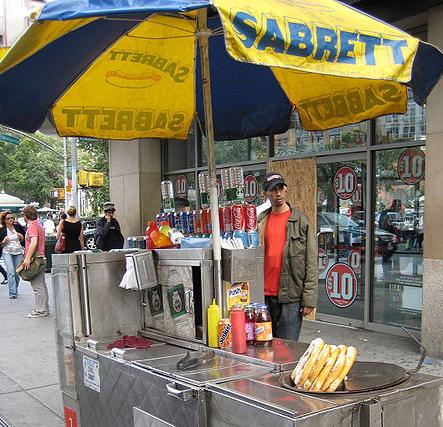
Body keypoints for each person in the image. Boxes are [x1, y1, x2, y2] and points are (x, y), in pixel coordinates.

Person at [257, 172, 318, 341]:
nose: (278, 194)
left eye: (280, 188)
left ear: (286, 190)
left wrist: (309, 300)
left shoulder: (301, 222)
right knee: (264, 345)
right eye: (273, 190)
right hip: (263, 296)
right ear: (265, 194)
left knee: (287, 349)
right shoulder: (260, 221)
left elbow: (311, 262)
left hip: (291, 296)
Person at [22, 205, 49, 318]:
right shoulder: (38, 225)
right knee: (41, 285)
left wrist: (27, 258)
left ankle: (41, 310)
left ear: (25, 215)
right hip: (40, 257)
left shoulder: (32, 226)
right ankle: (44, 308)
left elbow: (33, 242)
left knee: (37, 286)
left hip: (35, 258)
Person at [0, 211, 25, 299]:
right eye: (8, 218)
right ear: (4, 220)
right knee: (10, 272)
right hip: (7, 252)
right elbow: (1, 244)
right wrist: (3, 242)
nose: (11, 219)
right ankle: (12, 293)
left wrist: (21, 238)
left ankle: (15, 288)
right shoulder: (2, 230)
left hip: (18, 252)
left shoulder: (18, 227)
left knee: (17, 273)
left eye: (12, 218)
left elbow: (25, 239)